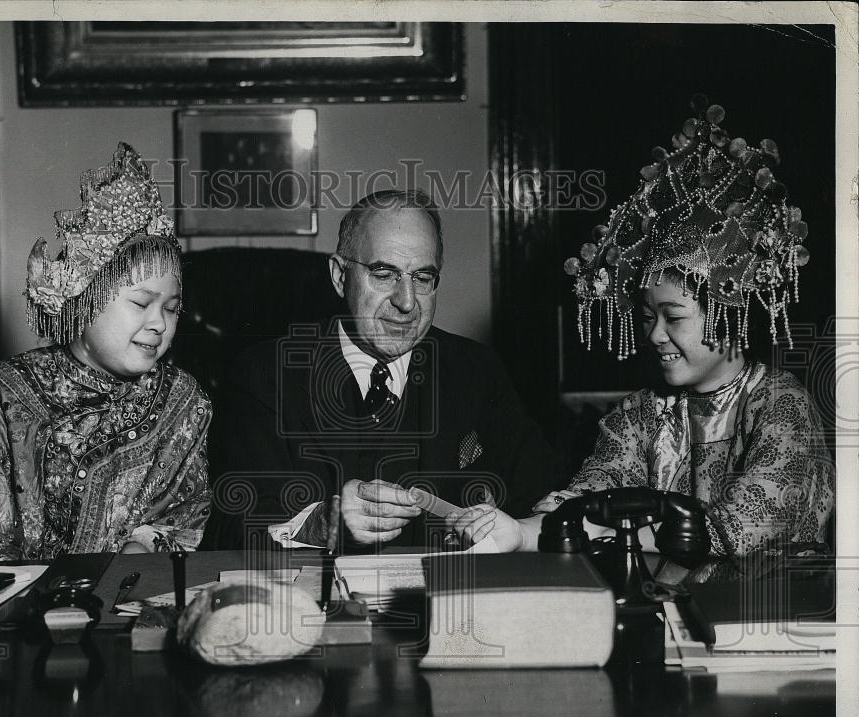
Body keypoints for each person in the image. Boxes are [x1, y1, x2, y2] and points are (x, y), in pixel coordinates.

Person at [447, 97, 834, 563]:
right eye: (648, 317)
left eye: (673, 317)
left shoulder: (782, 405)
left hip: (766, 619)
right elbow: (588, 498)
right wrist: (519, 532)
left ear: (731, 309)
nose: (654, 335)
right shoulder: (643, 413)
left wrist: (617, 534)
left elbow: (736, 529)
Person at [0, 143, 211, 563]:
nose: (159, 323)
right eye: (140, 303)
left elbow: (183, 519)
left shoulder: (183, 402)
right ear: (84, 299)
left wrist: (144, 546)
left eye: (171, 309)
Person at [206, 189, 554, 550]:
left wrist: (519, 529)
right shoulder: (264, 376)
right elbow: (226, 530)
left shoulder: (477, 371)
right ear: (340, 276)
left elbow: (546, 500)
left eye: (422, 278)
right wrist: (319, 524)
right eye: (385, 273)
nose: (406, 302)